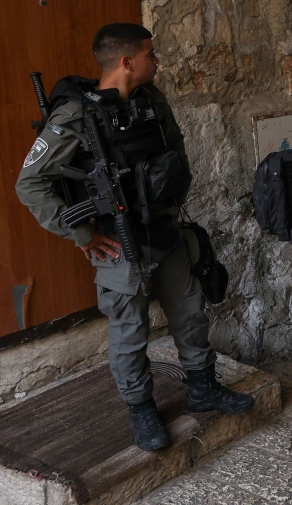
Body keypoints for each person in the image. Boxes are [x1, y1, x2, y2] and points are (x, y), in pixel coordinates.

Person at [16, 23, 253, 452]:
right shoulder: (75, 116)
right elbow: (30, 183)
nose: (156, 61)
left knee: (190, 312)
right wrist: (82, 233)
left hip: (164, 229)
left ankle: (202, 386)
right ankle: (141, 408)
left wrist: (172, 196)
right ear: (127, 61)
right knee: (130, 330)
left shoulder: (151, 101)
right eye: (150, 55)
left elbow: (175, 149)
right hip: (116, 240)